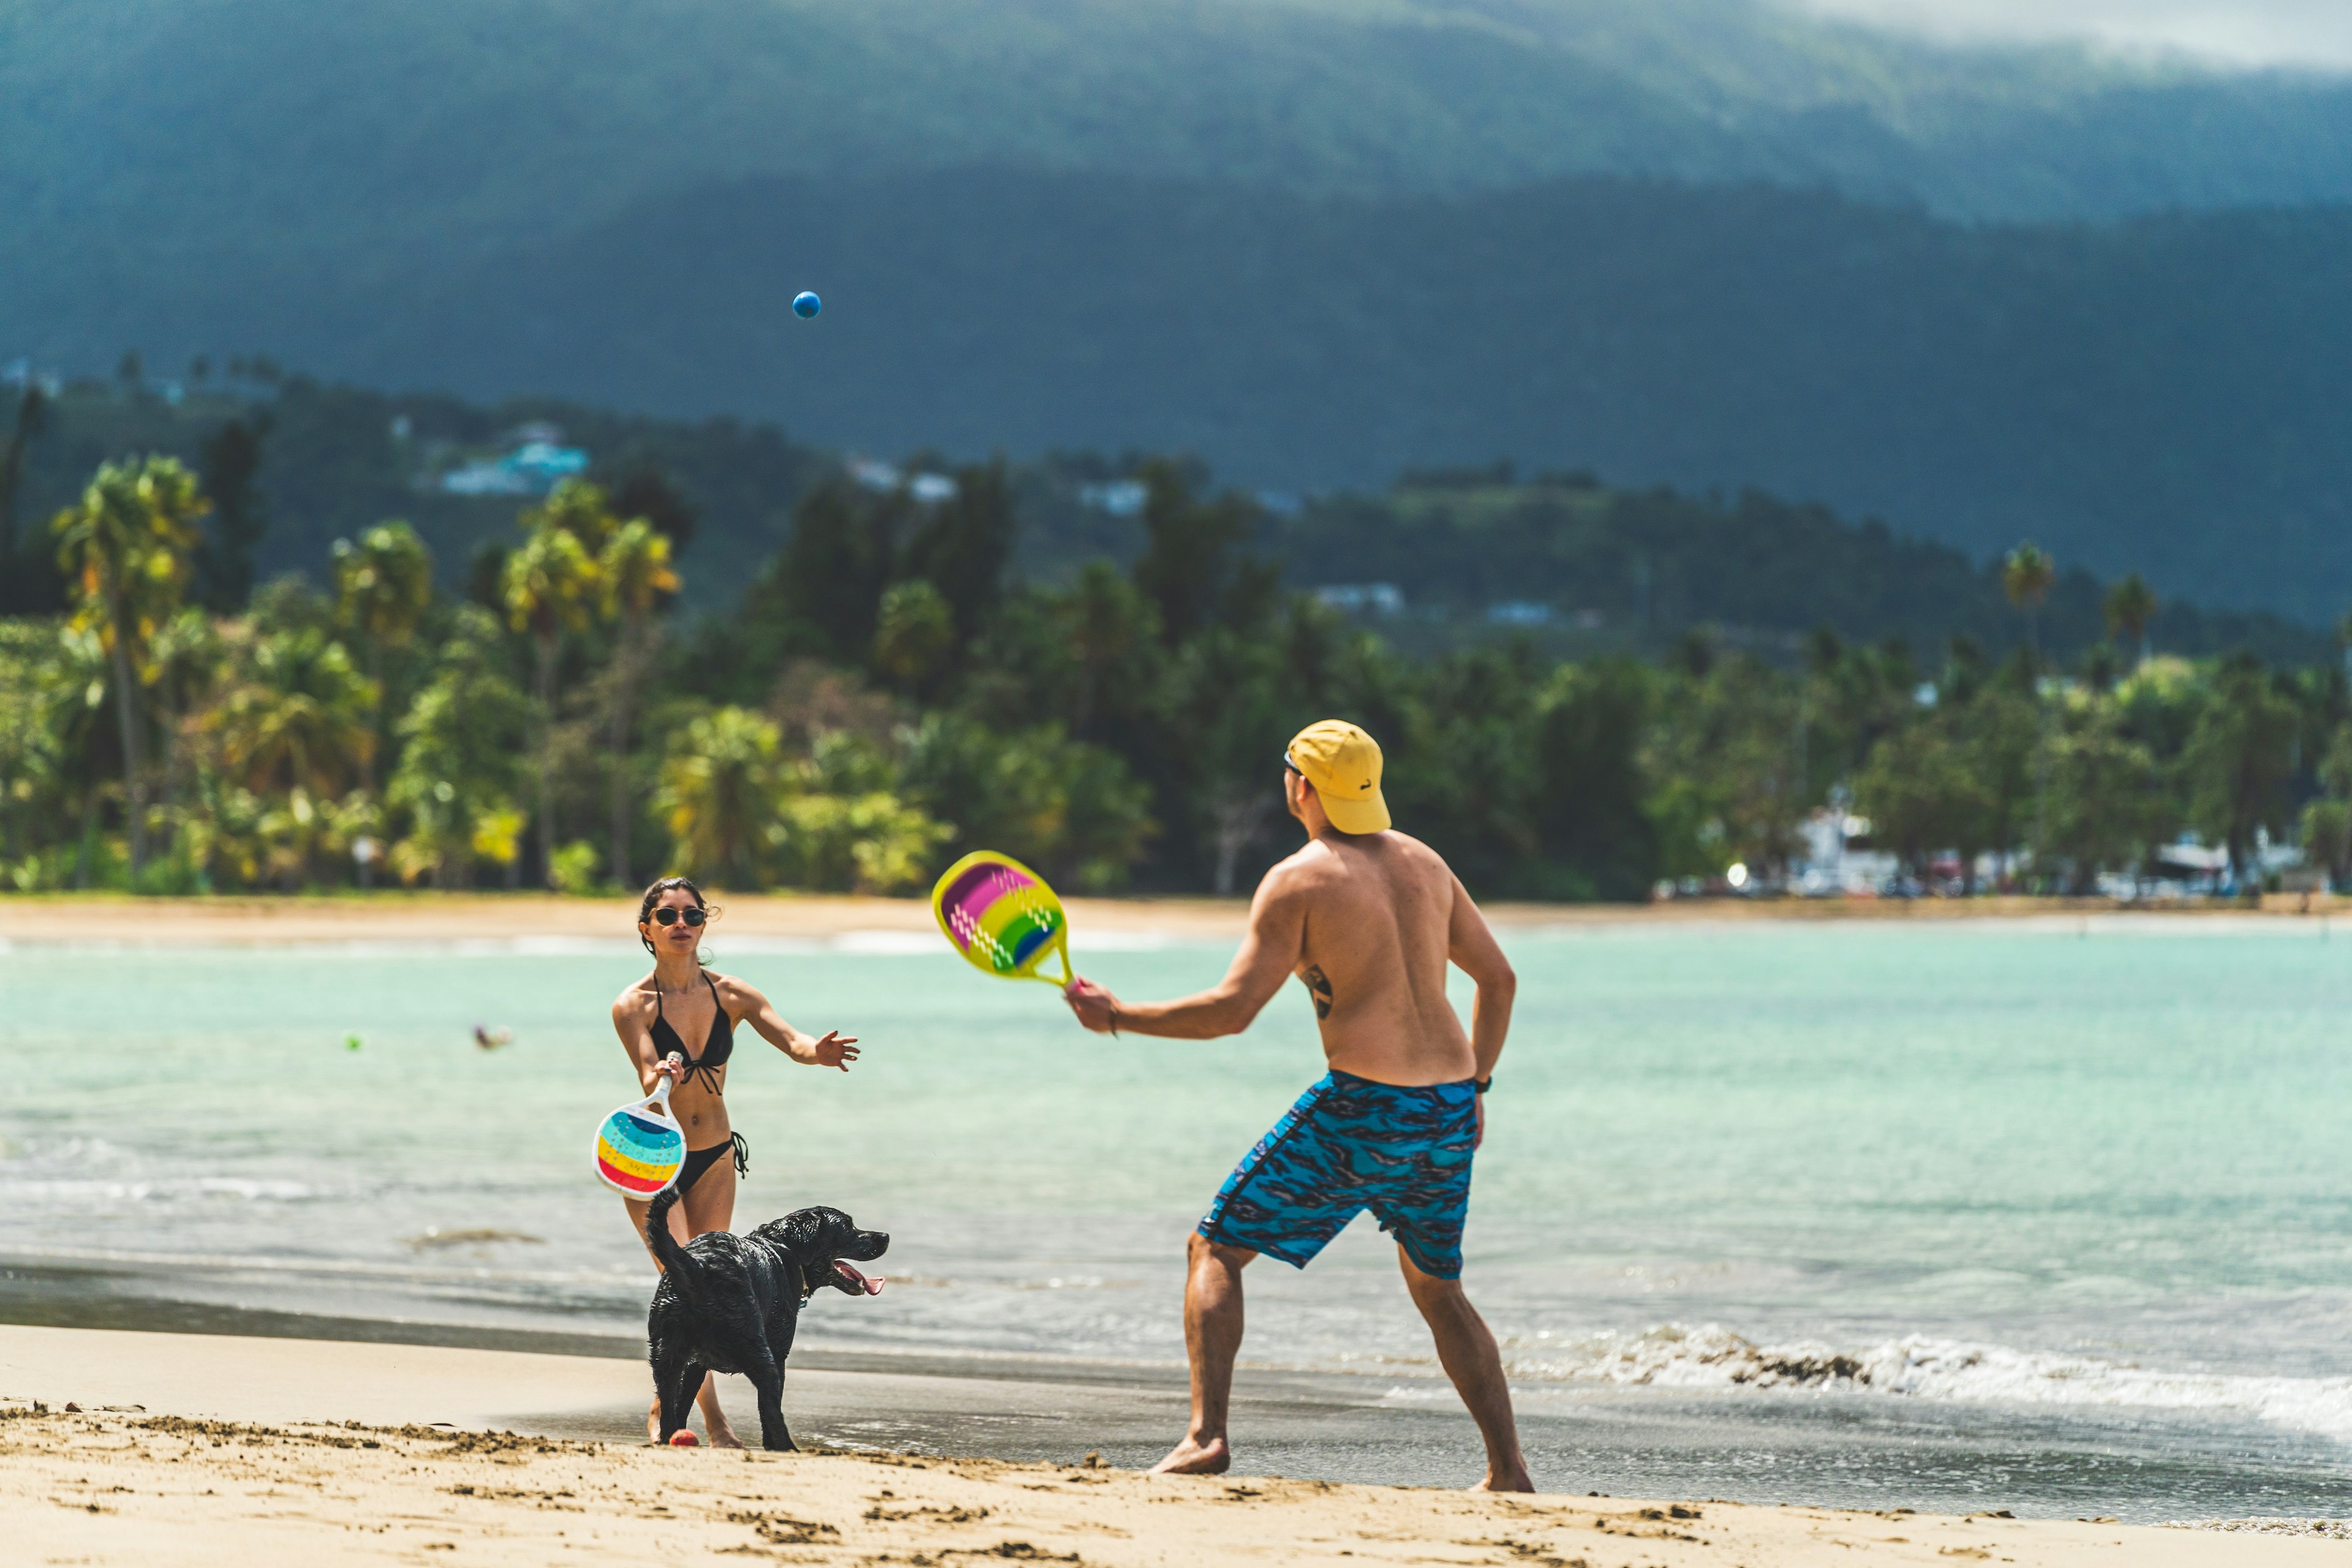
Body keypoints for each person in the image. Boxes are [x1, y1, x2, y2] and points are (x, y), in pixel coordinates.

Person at [1064, 720, 1532, 1490]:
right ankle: (1508, 1469)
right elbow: (1500, 980)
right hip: (1446, 1106)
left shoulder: (1298, 880)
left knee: (1214, 1246)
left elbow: (1230, 1010)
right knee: (1439, 1288)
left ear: (1300, 786)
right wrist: (1477, 1085)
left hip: (1366, 1106)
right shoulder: (1425, 862)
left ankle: (1205, 1437)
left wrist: (1118, 1015)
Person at [612, 875, 861, 1446]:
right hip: (656, 1159)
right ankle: (709, 1421)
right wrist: (663, 1074)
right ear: (647, 928)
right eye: (669, 916)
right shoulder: (633, 1005)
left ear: (705, 923)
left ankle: (666, 1410)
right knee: (682, 1281)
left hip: (717, 1157)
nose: (681, 925)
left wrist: (816, 1054)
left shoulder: (734, 995)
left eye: (693, 916)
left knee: (712, 1287)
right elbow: (648, 1070)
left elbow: (795, 1042)